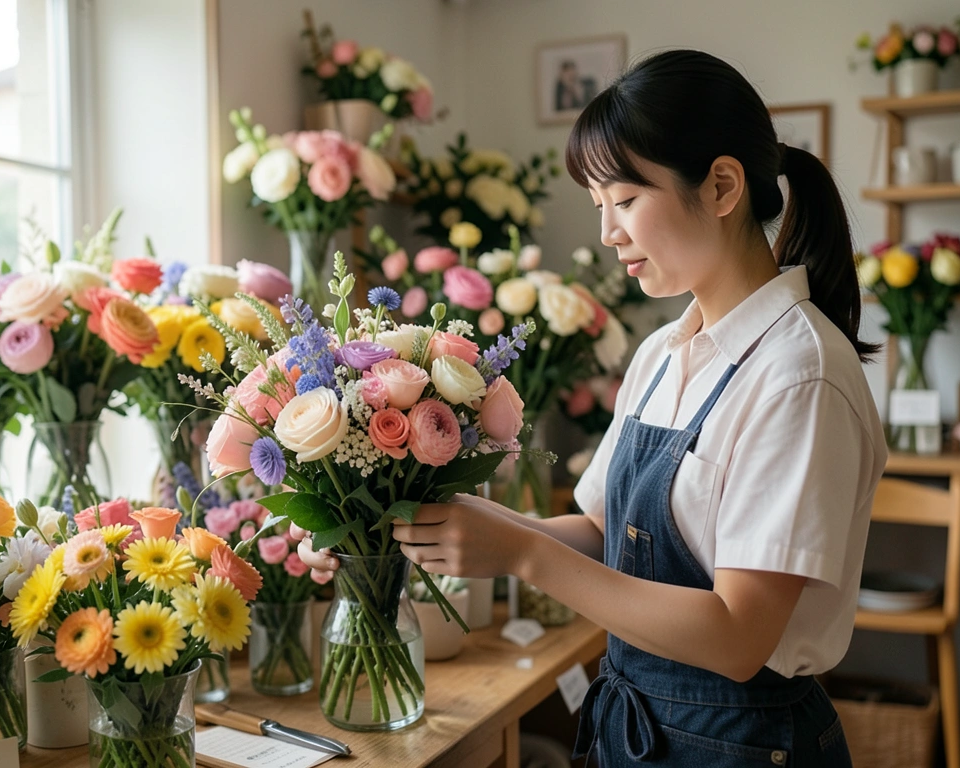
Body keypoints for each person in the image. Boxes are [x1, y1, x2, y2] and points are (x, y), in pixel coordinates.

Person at [296, 49, 886, 767]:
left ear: (723, 185)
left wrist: (521, 552)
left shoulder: (798, 376)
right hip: (642, 732)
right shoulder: (665, 352)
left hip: (745, 745)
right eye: (600, 209)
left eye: (627, 201)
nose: (608, 234)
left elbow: (738, 638)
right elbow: (605, 530)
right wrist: (426, 526)